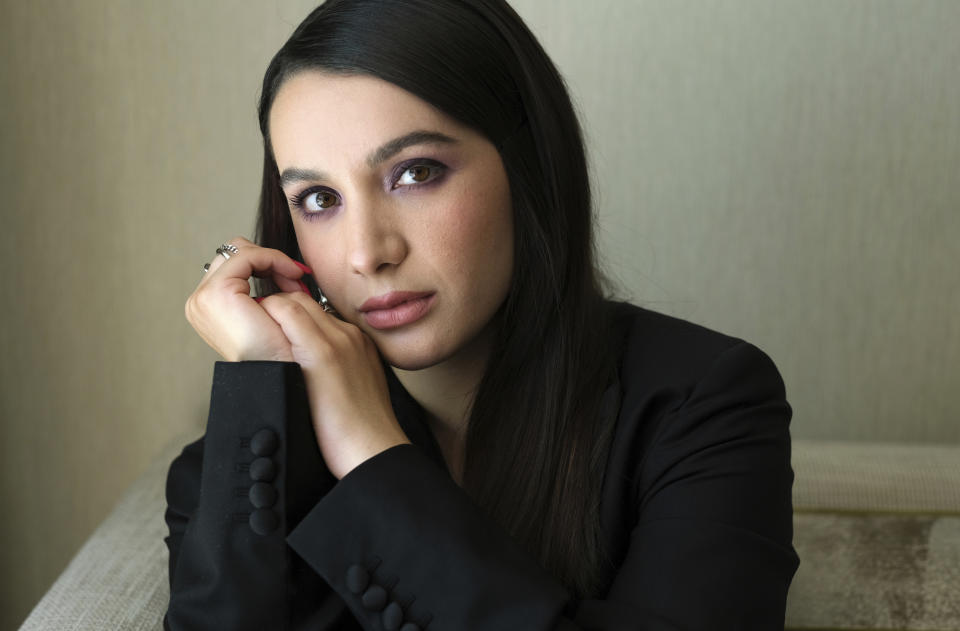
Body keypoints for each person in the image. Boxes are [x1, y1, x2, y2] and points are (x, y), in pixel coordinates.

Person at [164, 0, 799, 629]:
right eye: (319, 198)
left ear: (529, 169)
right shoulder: (242, 464)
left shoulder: (705, 406)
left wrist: (369, 453)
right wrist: (260, 383)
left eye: (415, 172)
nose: (367, 253)